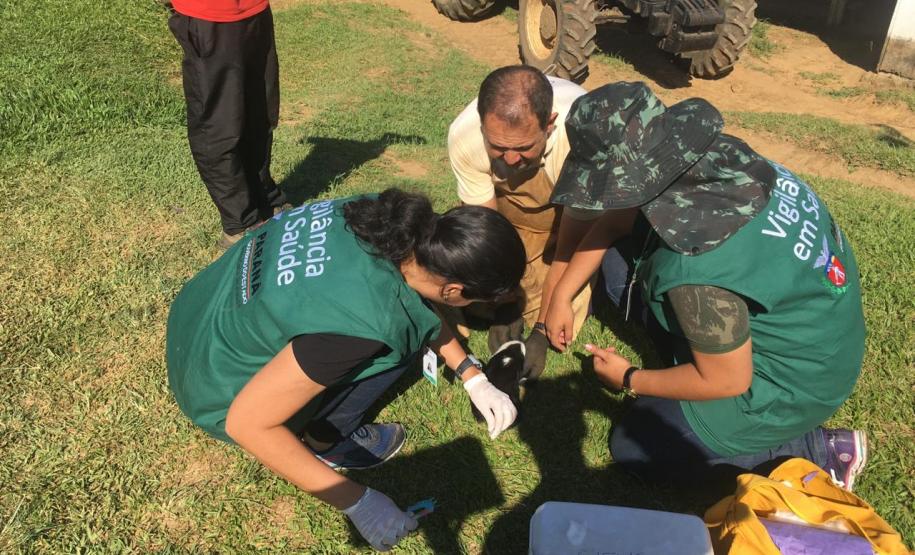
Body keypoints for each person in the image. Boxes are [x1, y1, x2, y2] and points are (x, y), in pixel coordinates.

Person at [542, 82, 868, 491]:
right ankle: (689, 361)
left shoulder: (696, 264)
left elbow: (727, 381)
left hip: (795, 381)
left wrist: (629, 378)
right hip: (822, 330)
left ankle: (816, 449)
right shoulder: (720, 161)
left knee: (637, 446)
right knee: (614, 269)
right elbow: (612, 222)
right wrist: (560, 295)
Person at [166, 189, 526, 550]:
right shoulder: (366, 322)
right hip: (214, 387)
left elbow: (418, 297)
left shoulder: (381, 213)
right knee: (399, 344)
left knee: (404, 323)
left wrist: (471, 374)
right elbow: (246, 423)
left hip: (199, 313)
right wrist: (358, 502)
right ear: (453, 291)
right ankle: (328, 441)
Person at [446, 65, 598, 378]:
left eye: (524, 148)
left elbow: (569, 247)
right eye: (498, 147)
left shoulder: (581, 140)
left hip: (562, 225)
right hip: (506, 217)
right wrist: (503, 298)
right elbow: (487, 228)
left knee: (560, 312)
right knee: (460, 284)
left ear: (550, 125)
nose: (511, 160)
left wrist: (541, 329)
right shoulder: (465, 136)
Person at [168, 0, 288, 249]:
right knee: (218, 125)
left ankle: (264, 198)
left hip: (254, 11)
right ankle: (240, 222)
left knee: (259, 113)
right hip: (209, 17)